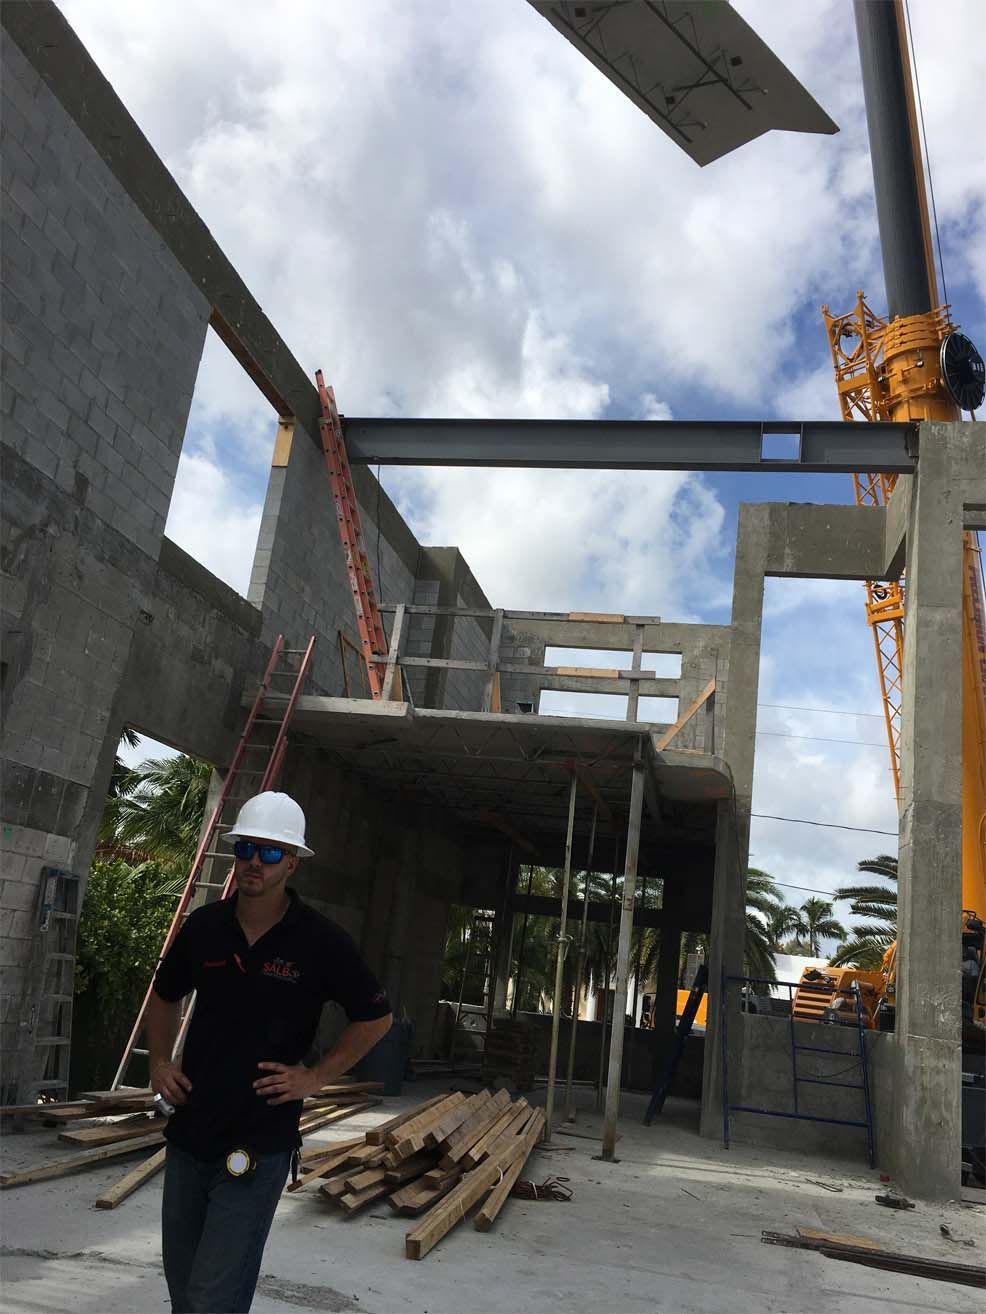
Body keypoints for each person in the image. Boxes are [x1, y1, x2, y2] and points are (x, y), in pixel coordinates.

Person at [147, 791, 393, 1314]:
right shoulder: (205, 928)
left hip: (257, 1146)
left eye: (271, 852)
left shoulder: (320, 942)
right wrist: (159, 1064)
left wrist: (315, 1077)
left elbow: (376, 1018)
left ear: (293, 862)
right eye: (246, 849)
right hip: (190, 1135)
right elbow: (165, 995)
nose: (255, 861)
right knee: (183, 1291)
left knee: (213, 1298)